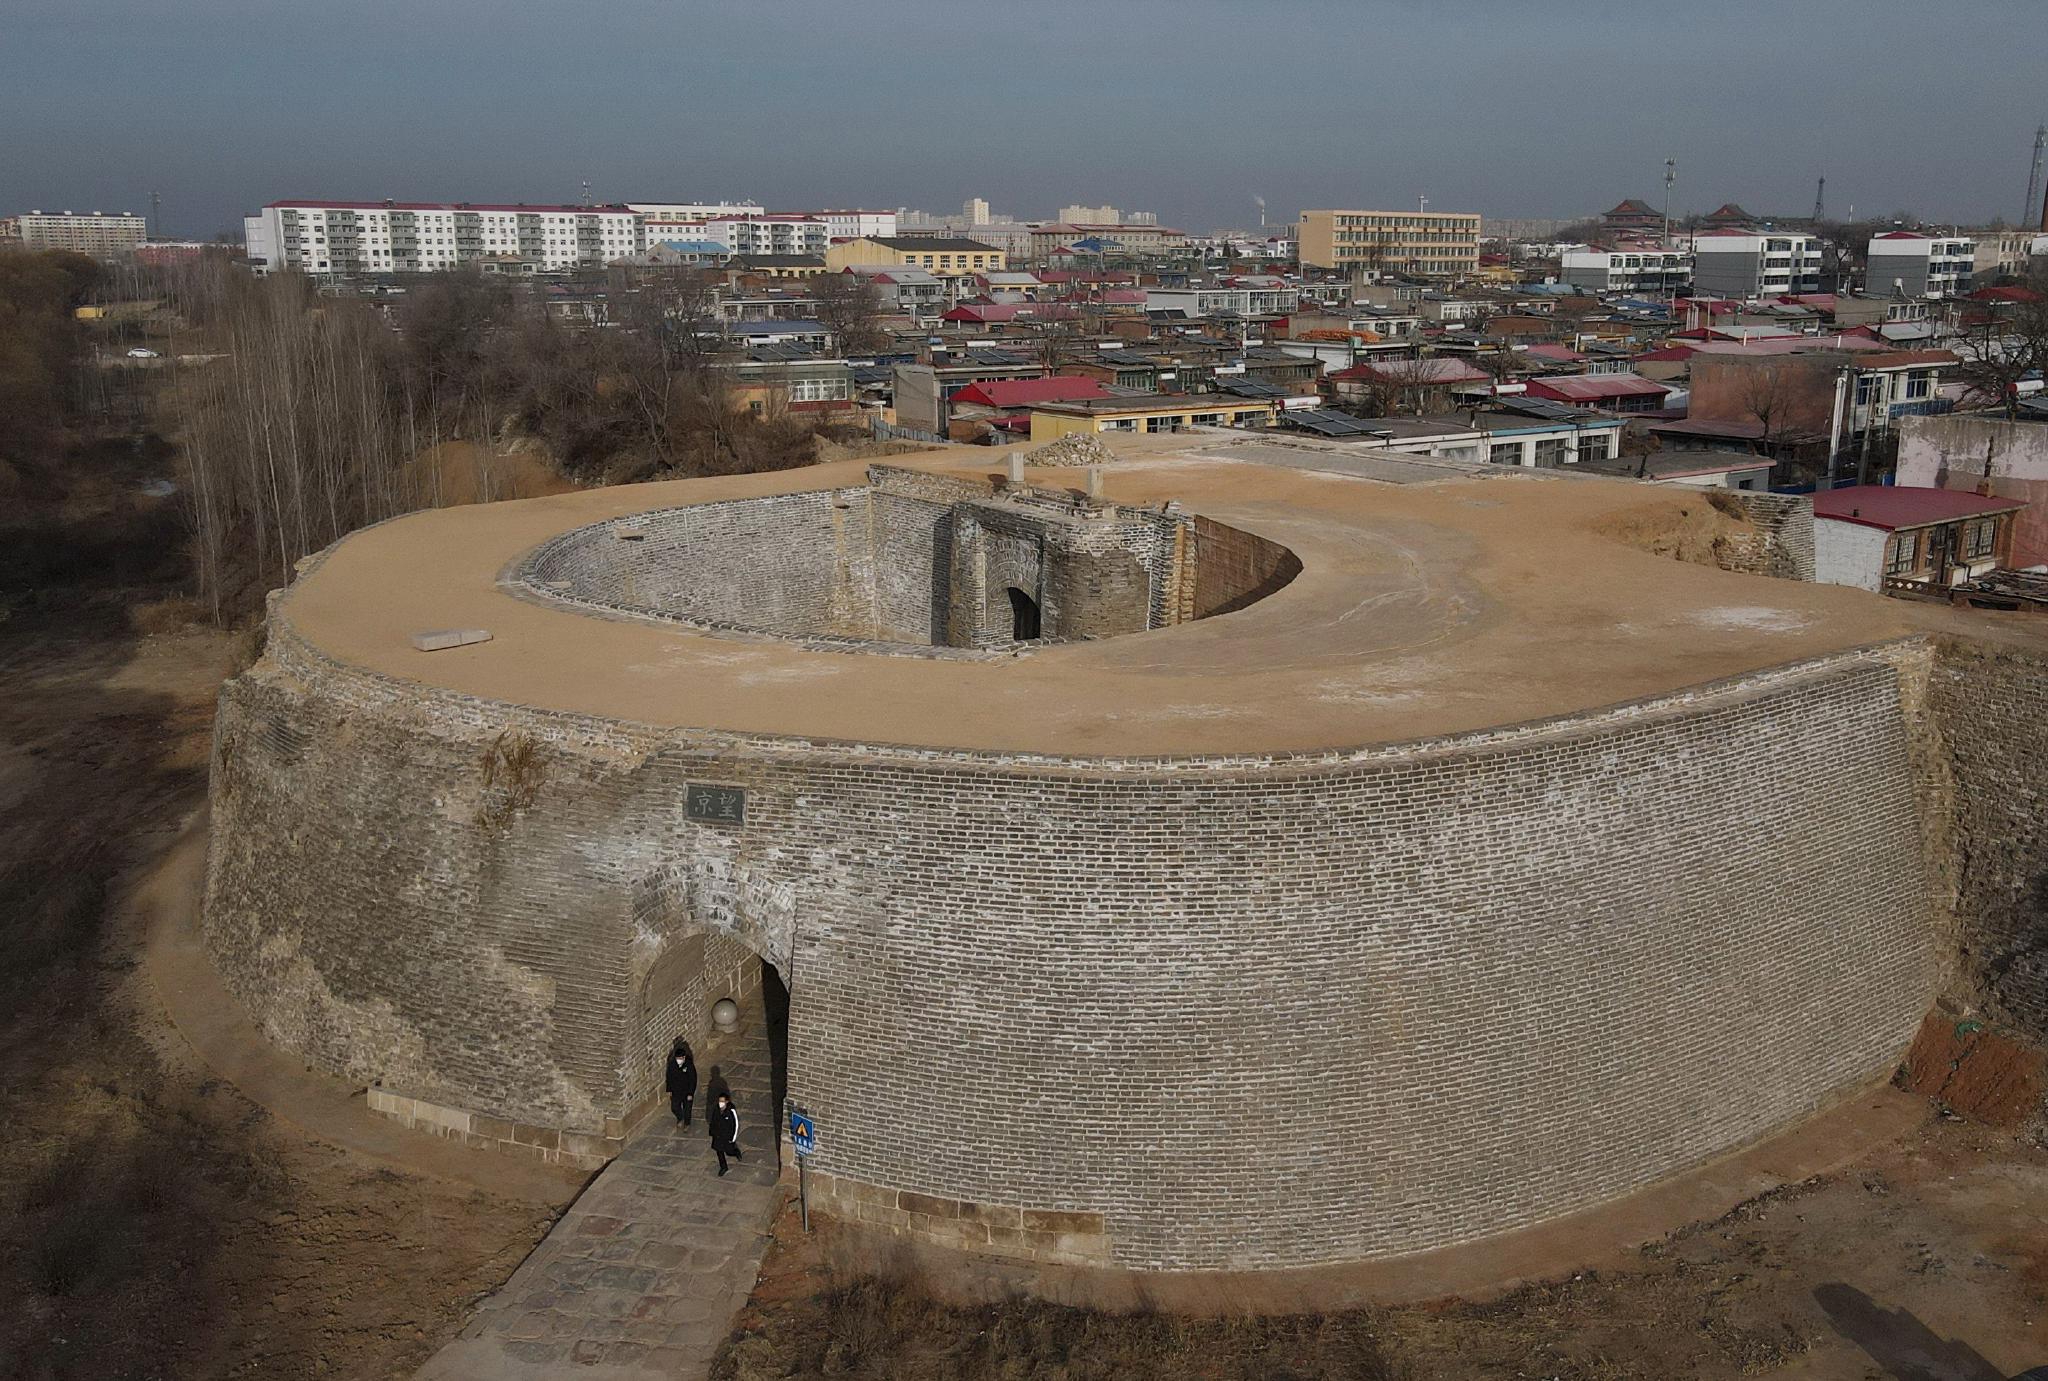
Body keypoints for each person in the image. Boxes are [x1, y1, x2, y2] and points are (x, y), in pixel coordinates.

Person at [708, 1090, 742, 1176]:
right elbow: (713, 1120)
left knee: (728, 1151)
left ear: (727, 1101)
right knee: (719, 1152)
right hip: (718, 1136)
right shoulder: (716, 1109)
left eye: (722, 1101)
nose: (721, 1103)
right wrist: (712, 1132)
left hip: (727, 1137)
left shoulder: (731, 1111)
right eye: (720, 1101)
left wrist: (732, 1139)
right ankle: (723, 1167)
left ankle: (735, 1152)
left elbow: (735, 1125)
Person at [665, 1040, 697, 1127]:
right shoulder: (672, 1065)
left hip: (687, 1091)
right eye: (677, 1059)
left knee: (687, 1109)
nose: (679, 1060)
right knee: (674, 1107)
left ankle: (687, 1124)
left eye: (680, 1058)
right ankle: (680, 1117)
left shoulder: (689, 1065)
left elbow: (693, 1079)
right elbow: (669, 1077)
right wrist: (669, 1089)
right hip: (676, 1091)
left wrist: (691, 1093)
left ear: (684, 1057)